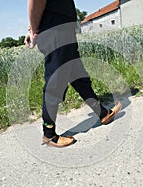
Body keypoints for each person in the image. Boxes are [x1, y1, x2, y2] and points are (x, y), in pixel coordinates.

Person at [24, 0, 121, 148]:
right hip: (55, 32)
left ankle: (102, 113)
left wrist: (32, 28)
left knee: (79, 77)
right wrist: (33, 31)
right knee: (55, 83)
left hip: (63, 30)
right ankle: (48, 134)